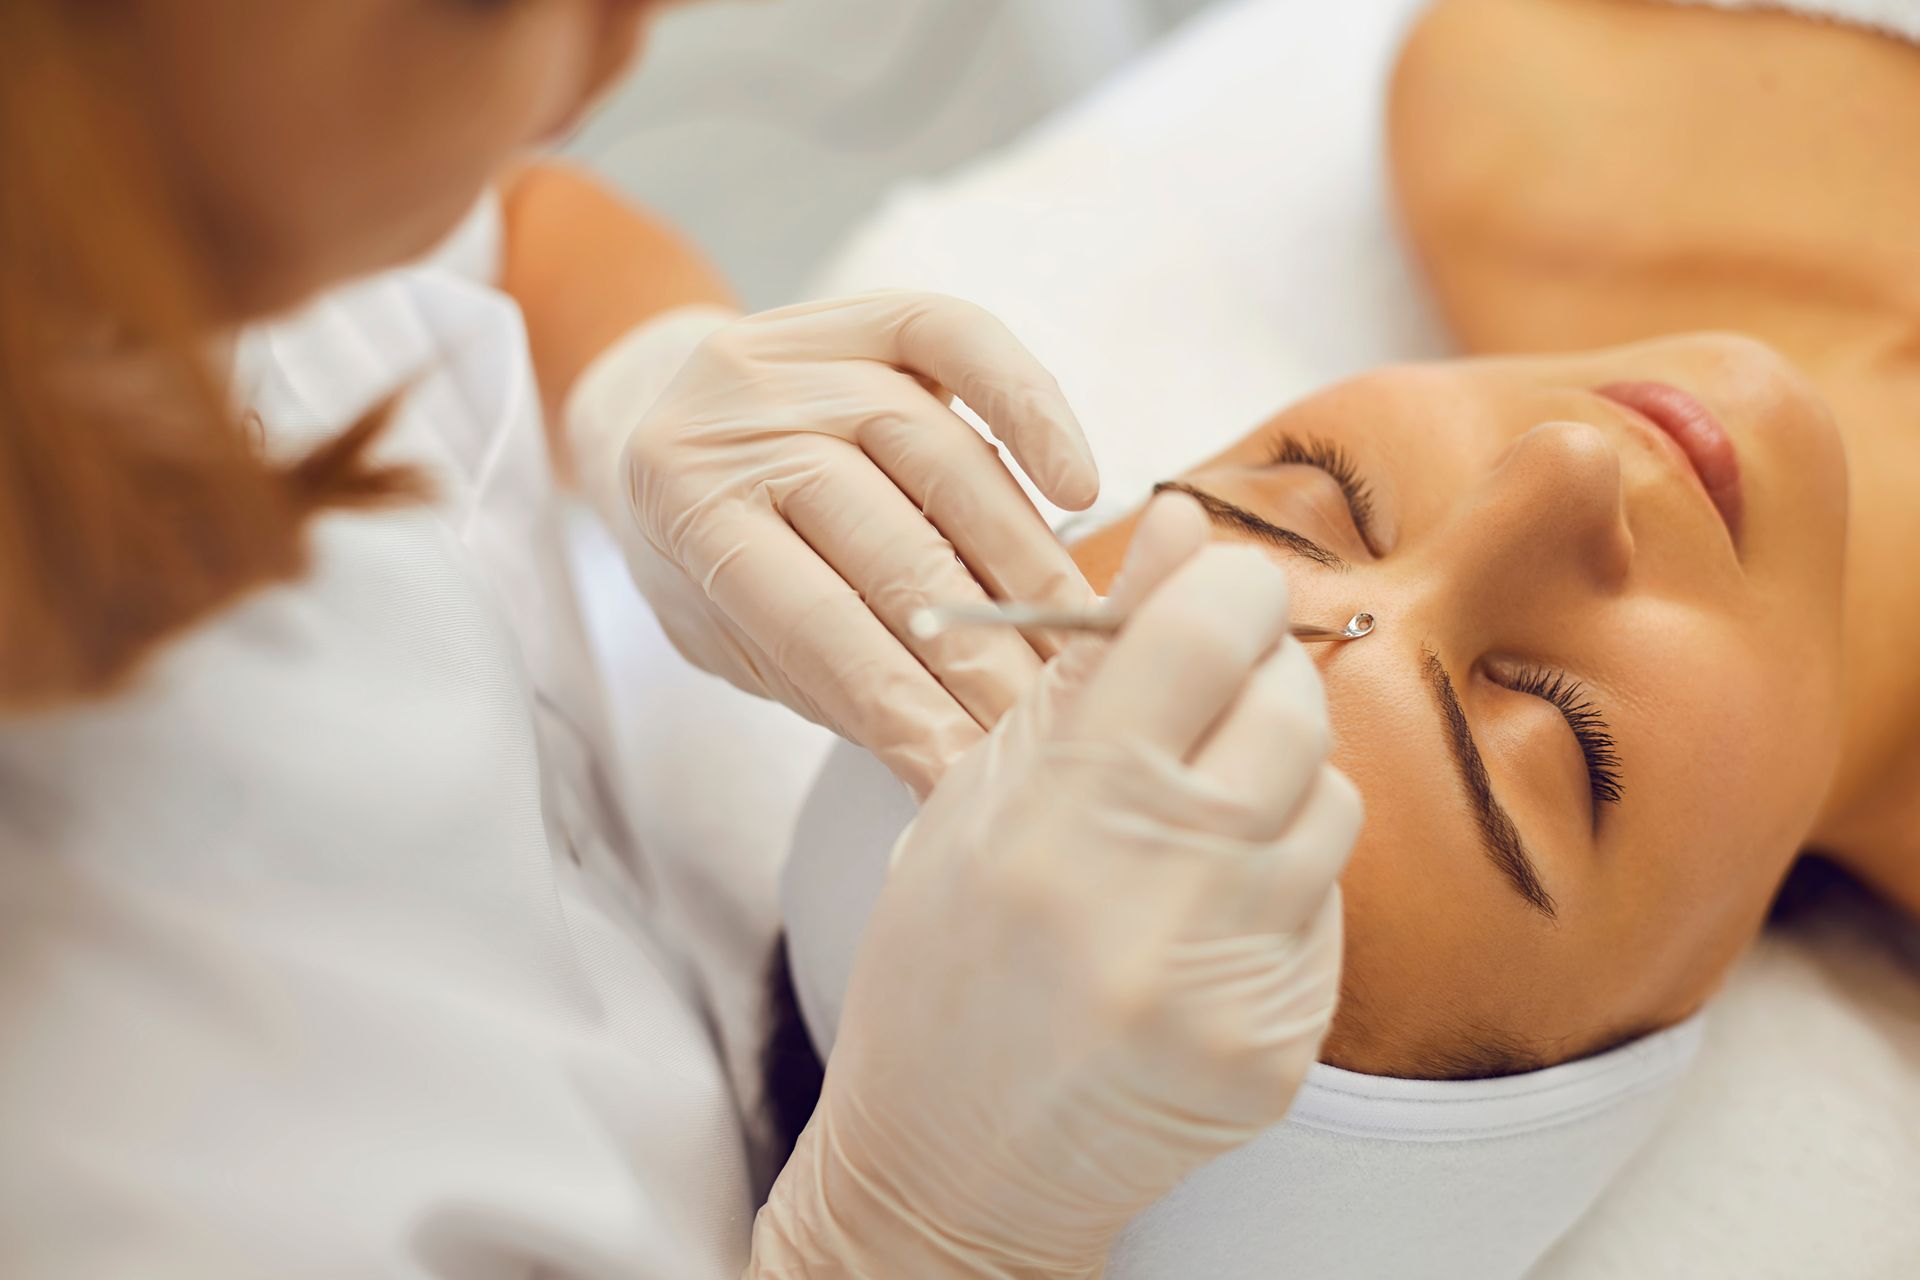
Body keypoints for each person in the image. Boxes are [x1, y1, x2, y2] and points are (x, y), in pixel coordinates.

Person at [0, 2, 1367, 1276]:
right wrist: (906, 1236)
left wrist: (641, 363)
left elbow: (481, 222)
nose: (621, 48)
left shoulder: (139, 200)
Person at [762, 0, 1920, 1156]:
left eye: (1322, 493)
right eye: (1563, 736)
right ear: (1656, 1019)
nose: (1565, 468)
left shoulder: (1524, 106)